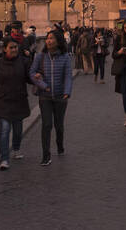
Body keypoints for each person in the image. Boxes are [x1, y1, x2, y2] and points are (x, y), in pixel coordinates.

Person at [30, 29, 73, 166]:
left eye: (52, 38)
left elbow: (67, 76)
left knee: (59, 125)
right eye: (48, 38)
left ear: (58, 41)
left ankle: (59, 145)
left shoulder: (65, 57)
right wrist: (42, 84)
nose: (48, 40)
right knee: (46, 125)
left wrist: (67, 91)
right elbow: (32, 73)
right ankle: (46, 155)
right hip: (45, 96)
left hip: (60, 96)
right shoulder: (40, 57)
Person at [0, 40, 31, 170]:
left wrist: (39, 79)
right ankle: (4, 158)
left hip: (19, 100)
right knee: (4, 130)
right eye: (11, 47)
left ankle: (16, 148)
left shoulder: (23, 62)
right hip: (3, 101)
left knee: (18, 131)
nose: (14, 50)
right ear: (4, 49)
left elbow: (29, 78)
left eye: (16, 47)